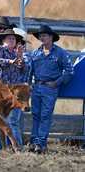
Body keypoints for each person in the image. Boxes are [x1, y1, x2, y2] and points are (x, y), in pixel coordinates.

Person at [29, 25, 74, 154]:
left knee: (45, 116)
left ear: (51, 37)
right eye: (40, 36)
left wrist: (57, 83)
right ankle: (33, 142)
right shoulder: (36, 53)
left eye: (45, 35)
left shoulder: (60, 53)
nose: (42, 38)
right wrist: (29, 84)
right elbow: (30, 71)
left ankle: (41, 143)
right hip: (37, 86)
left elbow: (70, 71)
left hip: (50, 88)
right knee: (36, 115)